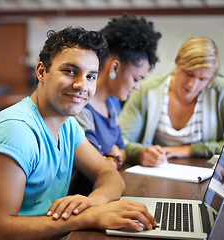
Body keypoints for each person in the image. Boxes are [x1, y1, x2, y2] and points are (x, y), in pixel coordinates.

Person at [0, 26, 157, 240]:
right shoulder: (16, 132)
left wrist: (94, 201)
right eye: (70, 71)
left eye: (91, 76)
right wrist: (87, 216)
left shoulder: (67, 124)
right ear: (42, 71)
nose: (82, 85)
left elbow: (108, 174)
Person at [119, 36, 224, 167]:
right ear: (177, 63)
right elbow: (121, 140)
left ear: (212, 77)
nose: (192, 84)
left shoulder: (222, 90)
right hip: (156, 172)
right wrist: (140, 153)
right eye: (189, 73)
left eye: (203, 79)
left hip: (203, 175)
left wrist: (190, 150)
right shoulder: (147, 89)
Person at [69, 14, 161, 195]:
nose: (137, 87)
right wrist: (114, 157)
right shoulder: (80, 106)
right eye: (136, 78)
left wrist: (113, 157)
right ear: (115, 68)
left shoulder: (111, 104)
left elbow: (122, 149)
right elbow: (96, 165)